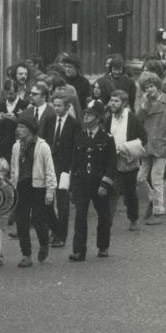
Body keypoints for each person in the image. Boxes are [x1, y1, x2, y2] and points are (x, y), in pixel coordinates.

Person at [68, 101, 117, 260]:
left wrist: (105, 183)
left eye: (90, 114)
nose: (86, 117)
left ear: (98, 118)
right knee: (80, 215)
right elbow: (74, 162)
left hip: (99, 182)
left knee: (103, 215)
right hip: (82, 182)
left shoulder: (107, 138)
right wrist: (72, 185)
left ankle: (103, 246)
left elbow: (111, 164)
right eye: (86, 114)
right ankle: (78, 250)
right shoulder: (79, 136)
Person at [9, 114, 56, 266]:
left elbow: (49, 171)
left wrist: (50, 191)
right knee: (21, 221)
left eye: (22, 127)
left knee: (38, 220)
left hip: (38, 187)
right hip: (21, 186)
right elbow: (13, 169)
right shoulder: (16, 146)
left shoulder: (42, 146)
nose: (18, 130)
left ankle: (44, 243)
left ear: (30, 129)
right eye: (18, 127)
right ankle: (26, 254)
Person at [137, 74, 166, 225]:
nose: (149, 90)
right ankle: (153, 198)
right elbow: (138, 120)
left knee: (157, 178)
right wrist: (143, 106)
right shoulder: (145, 102)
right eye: (146, 88)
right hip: (147, 144)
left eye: (151, 86)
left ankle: (158, 209)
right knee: (140, 177)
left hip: (162, 144)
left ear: (157, 86)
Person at [107, 90, 147, 230]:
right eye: (111, 100)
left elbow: (143, 138)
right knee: (111, 191)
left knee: (130, 193)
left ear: (124, 103)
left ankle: (133, 219)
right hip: (112, 161)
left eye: (116, 101)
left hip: (129, 160)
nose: (112, 103)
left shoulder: (132, 119)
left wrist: (127, 148)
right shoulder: (108, 118)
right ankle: (107, 222)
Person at [43, 92, 79, 247]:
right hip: (49, 167)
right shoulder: (49, 121)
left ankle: (61, 235)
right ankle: (54, 228)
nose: (56, 108)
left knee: (63, 203)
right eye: (54, 105)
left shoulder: (74, 124)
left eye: (59, 105)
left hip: (65, 168)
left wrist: (72, 169)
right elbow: (43, 141)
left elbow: (76, 149)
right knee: (48, 200)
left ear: (67, 106)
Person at [0, 78, 28, 161]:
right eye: (6, 94)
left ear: (17, 91)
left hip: (19, 147)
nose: (8, 96)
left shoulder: (24, 105)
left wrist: (17, 120)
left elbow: (29, 126)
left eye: (11, 93)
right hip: (1, 148)